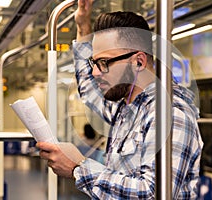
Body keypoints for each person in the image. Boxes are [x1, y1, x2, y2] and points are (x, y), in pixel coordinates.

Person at [36, 0, 203, 199]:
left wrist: (77, 168)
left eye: (104, 63)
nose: (96, 72)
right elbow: (89, 90)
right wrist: (83, 26)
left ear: (138, 62)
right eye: (94, 62)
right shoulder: (127, 108)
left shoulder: (172, 114)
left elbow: (152, 193)